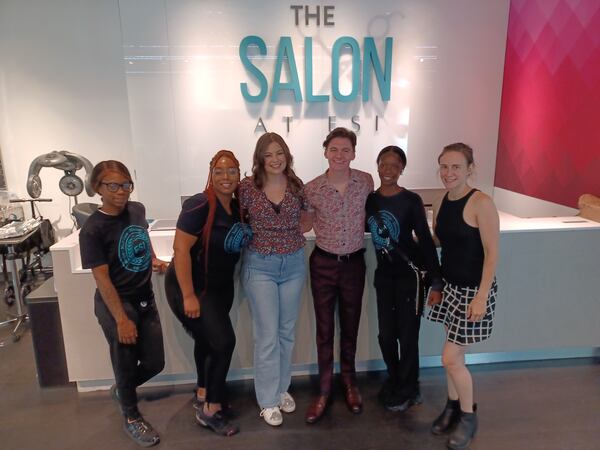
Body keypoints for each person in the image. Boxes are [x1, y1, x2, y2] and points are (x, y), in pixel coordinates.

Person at [79, 160, 167, 448]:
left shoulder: (137, 209)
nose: (121, 191)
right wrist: (121, 319)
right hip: (117, 304)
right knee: (125, 361)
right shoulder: (92, 229)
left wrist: (152, 258)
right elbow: (101, 279)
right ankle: (131, 416)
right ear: (97, 188)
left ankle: (123, 389)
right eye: (113, 185)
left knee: (155, 362)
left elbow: (142, 236)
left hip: (145, 298)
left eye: (126, 184)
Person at [164, 150, 250, 437]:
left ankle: (204, 392)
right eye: (220, 171)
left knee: (208, 340)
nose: (226, 177)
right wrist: (188, 296)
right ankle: (211, 410)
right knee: (224, 342)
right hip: (192, 288)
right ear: (211, 174)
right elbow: (181, 249)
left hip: (219, 288)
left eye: (232, 171)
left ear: (240, 174)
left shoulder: (237, 206)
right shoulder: (198, 204)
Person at [427, 143, 499, 449]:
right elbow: (441, 240)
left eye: (456, 166)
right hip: (450, 288)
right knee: (454, 358)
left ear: (470, 169)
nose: (448, 173)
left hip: (473, 292)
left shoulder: (482, 202)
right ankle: (452, 406)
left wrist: (481, 296)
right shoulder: (440, 201)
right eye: (444, 166)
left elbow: (492, 253)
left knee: (449, 358)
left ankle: (468, 417)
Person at [303, 127, 374, 423]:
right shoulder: (312, 188)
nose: (340, 155)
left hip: (354, 264)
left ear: (354, 153)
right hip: (322, 263)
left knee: (350, 326)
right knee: (324, 331)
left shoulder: (366, 182)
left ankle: (349, 383)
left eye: (346, 150)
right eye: (334, 149)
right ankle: (323, 389)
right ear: (325, 152)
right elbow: (304, 225)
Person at [366, 145, 443, 412]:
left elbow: (424, 239)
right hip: (384, 278)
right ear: (377, 166)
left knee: (408, 335)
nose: (388, 170)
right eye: (384, 164)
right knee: (386, 336)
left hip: (410, 278)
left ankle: (410, 387)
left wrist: (436, 280)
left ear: (402, 169)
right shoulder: (371, 200)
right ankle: (398, 378)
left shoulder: (410, 200)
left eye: (395, 165)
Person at [239, 132, 307, 427]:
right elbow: (237, 219)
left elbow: (306, 219)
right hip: (261, 265)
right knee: (266, 335)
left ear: (287, 155)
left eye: (280, 153)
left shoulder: (296, 185)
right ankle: (267, 400)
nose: (275, 159)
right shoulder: (246, 188)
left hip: (293, 264)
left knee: (286, 332)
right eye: (269, 154)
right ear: (260, 159)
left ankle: (281, 389)